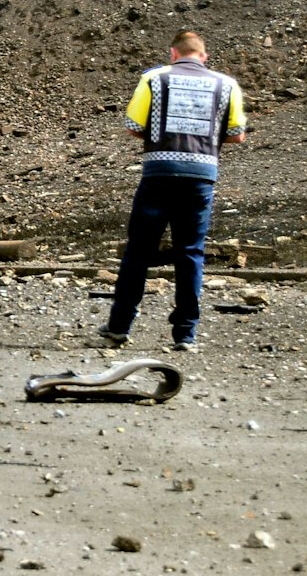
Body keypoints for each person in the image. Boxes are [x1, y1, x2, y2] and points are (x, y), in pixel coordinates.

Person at [101, 30, 247, 352]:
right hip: (201, 177)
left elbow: (133, 127)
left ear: (173, 53)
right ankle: (185, 334)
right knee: (191, 252)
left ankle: (119, 326)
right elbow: (237, 135)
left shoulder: (154, 79)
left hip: (159, 173)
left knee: (138, 251)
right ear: (203, 56)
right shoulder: (227, 85)